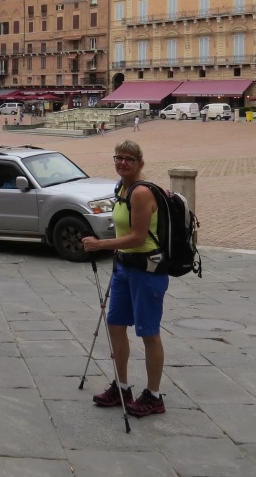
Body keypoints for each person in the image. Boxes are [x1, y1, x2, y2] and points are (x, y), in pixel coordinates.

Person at [82, 140, 168, 417]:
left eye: (129, 159)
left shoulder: (141, 192)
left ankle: (154, 396)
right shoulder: (121, 188)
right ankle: (122, 387)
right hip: (124, 267)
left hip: (147, 270)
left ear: (140, 163)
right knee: (116, 325)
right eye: (118, 157)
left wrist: (100, 245)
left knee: (148, 332)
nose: (122, 163)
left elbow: (138, 237)